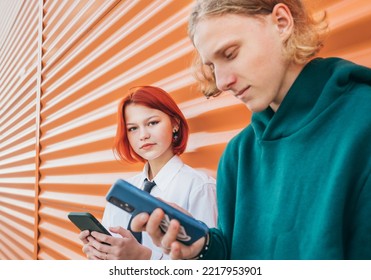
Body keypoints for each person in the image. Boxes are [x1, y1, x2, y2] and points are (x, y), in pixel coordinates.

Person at [131, 0, 371, 260]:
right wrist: (205, 247)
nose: (222, 82)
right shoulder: (238, 155)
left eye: (231, 53)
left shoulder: (362, 120)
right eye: (211, 66)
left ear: (281, 22)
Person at [79, 86, 217, 260]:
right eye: (132, 128)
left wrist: (144, 259)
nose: (143, 135)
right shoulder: (123, 191)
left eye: (152, 123)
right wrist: (99, 255)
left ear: (175, 124)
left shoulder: (200, 188)